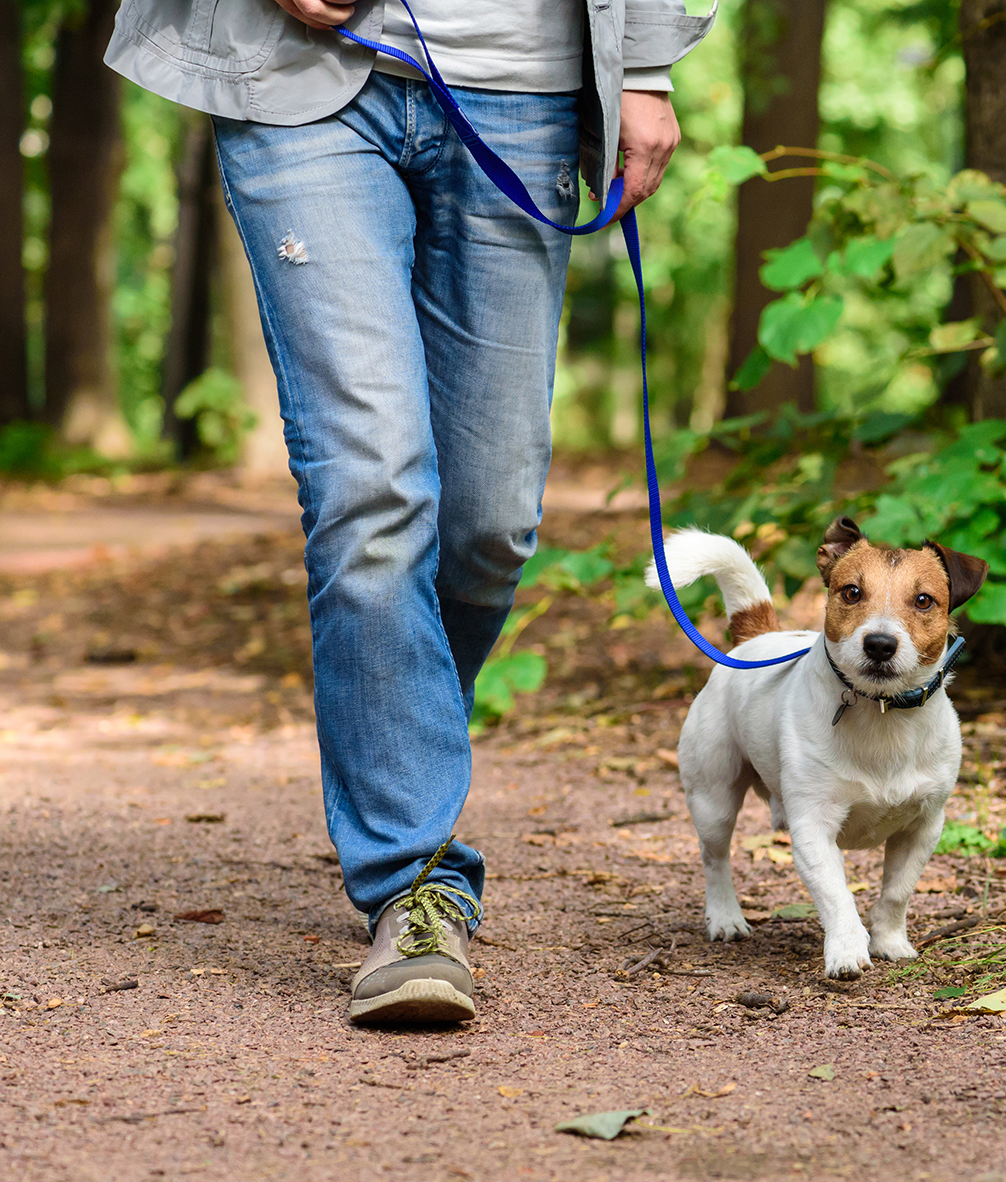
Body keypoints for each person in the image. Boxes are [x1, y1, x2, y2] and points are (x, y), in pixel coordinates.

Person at [105, 0, 713, 1025]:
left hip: (519, 83)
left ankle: (400, 750)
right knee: (370, 491)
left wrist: (645, 63)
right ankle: (415, 881)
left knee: (489, 524)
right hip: (299, 76)